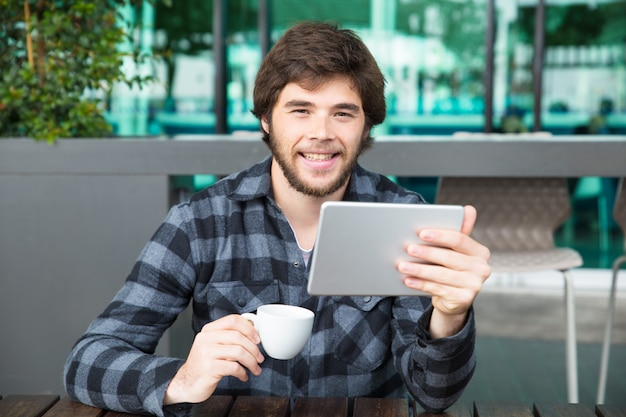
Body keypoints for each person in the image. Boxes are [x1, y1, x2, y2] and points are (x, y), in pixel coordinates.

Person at [64, 21, 491, 417]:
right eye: (300, 110)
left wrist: (450, 316)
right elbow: (86, 362)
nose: (322, 132)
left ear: (365, 128)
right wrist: (183, 378)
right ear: (267, 119)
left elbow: (435, 393)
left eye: (343, 113)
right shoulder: (201, 221)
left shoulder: (404, 221)